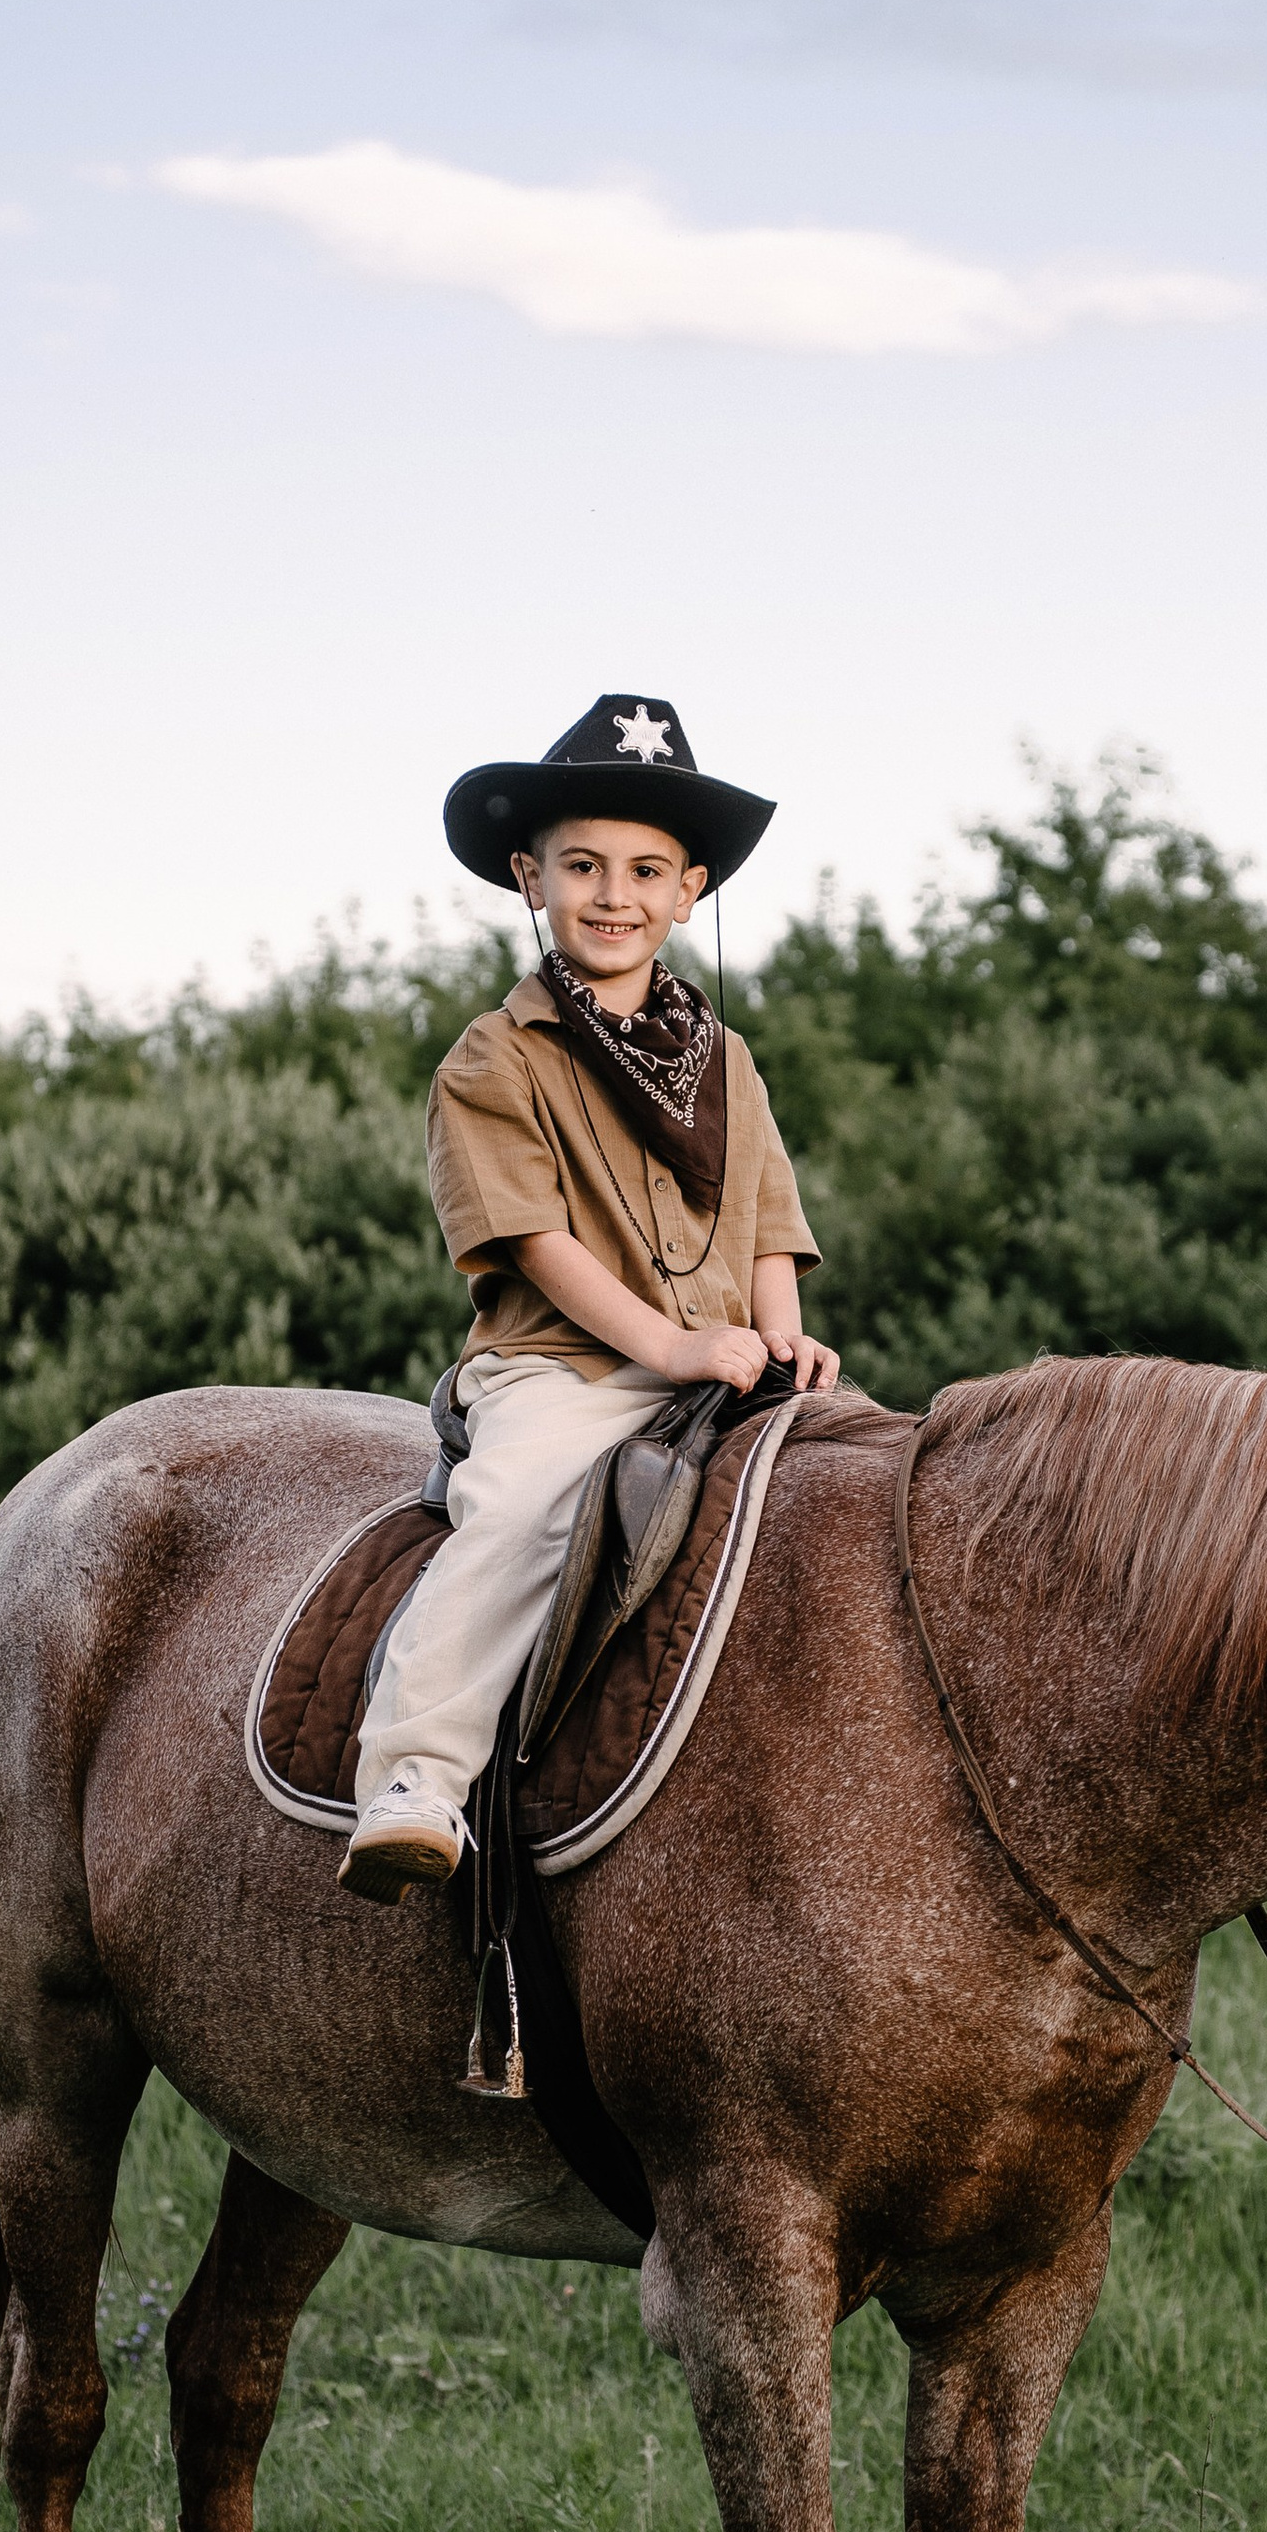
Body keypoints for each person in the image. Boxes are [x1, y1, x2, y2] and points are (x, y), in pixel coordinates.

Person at [340, 695, 838, 1903]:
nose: (614, 895)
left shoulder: (727, 1060)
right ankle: (415, 1776)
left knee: (864, 1500)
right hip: (567, 1369)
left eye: (645, 871)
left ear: (689, 892)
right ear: (531, 877)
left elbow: (767, 1220)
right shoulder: (496, 1057)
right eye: (583, 867)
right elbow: (533, 1241)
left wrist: (782, 1341)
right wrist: (671, 1346)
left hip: (724, 1360)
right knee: (519, 1507)